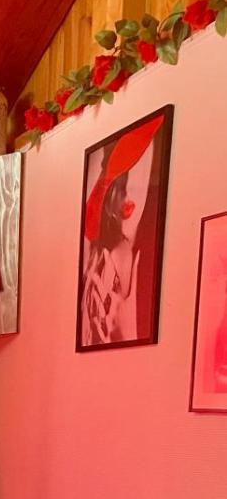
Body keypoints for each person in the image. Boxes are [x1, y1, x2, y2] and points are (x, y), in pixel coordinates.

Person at [80, 112, 165, 348]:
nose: (130, 193)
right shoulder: (107, 260)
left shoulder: (137, 257)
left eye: (143, 177)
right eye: (124, 177)